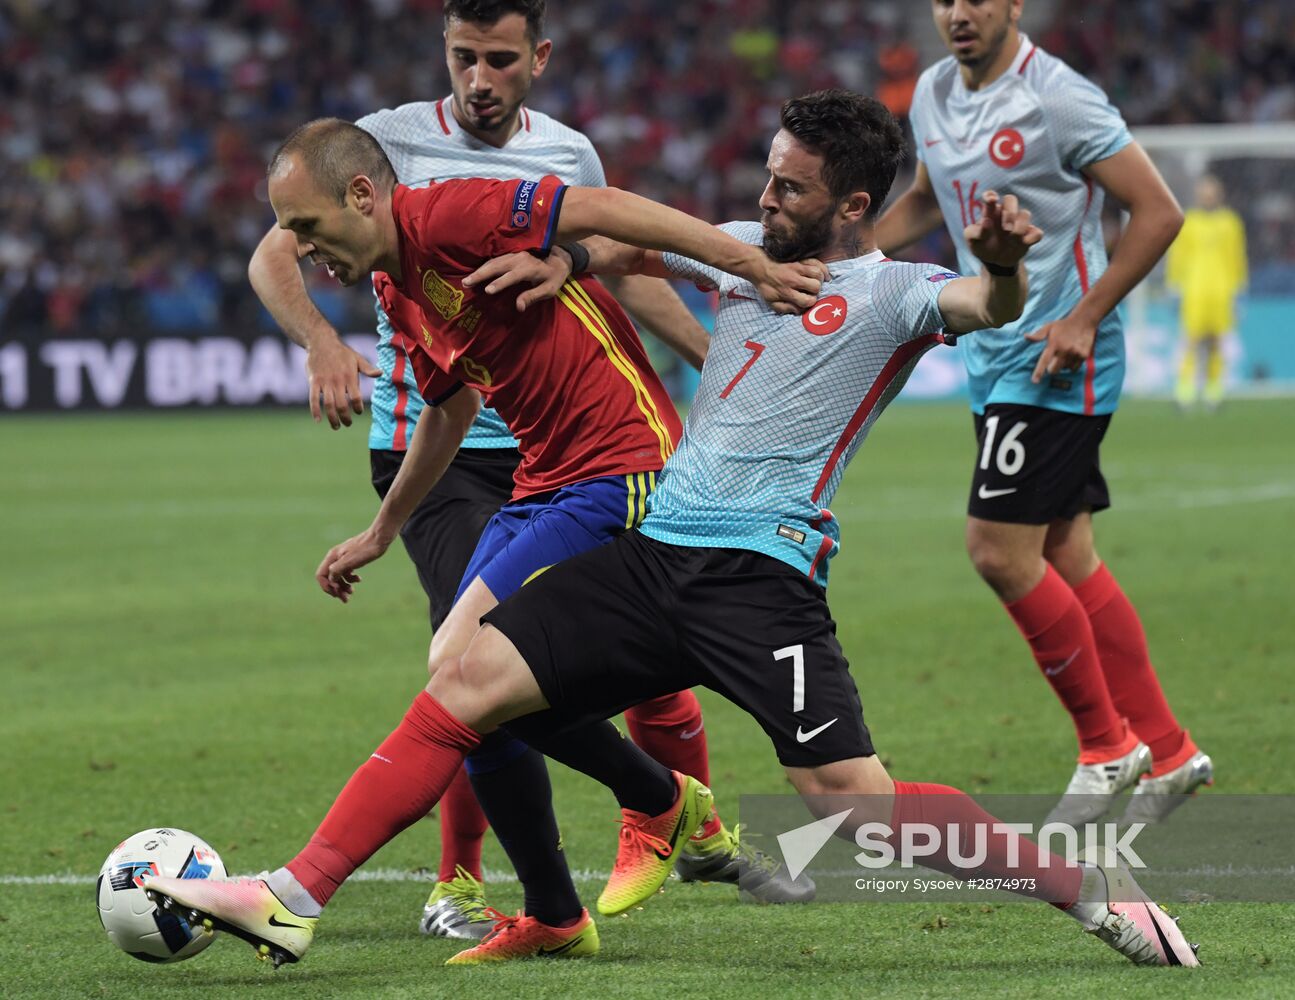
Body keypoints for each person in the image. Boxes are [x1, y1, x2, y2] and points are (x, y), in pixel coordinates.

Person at [145, 90, 1198, 971]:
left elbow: (985, 301)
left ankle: (1089, 895)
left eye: (789, 185)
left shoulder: (893, 294)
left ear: (854, 204)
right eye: (768, 176)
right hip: (651, 556)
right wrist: (563, 263)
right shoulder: (736, 251)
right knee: (464, 682)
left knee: (854, 802)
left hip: (762, 577)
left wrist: (1010, 268)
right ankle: (293, 896)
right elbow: (612, 239)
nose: (763, 196)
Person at [245, 0, 776, 941]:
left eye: (497, 59)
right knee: (466, 669)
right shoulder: (378, 174)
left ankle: (659, 818)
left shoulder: (545, 164)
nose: (477, 78)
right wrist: (325, 357)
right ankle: (503, 881)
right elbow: (425, 381)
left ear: (536, 59)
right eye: (462, 57)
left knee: (495, 673)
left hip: (595, 455)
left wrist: (726, 319)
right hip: (485, 462)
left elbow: (610, 243)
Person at [874, 0, 1212, 827]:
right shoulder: (929, 94)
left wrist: (1085, 316)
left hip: (1060, 360)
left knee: (995, 548)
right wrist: (848, 264)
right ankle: (1168, 751)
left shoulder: (1058, 97)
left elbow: (1157, 209)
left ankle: (1107, 748)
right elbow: (927, 199)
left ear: (1014, 5)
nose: (959, 12)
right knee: (1064, 550)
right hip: (993, 356)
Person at [1167, 175, 1247, 412]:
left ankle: (1214, 392)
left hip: (1222, 291)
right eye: (1204, 192)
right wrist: (1174, 287)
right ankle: (1185, 392)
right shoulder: (1189, 222)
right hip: (1194, 291)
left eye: (1211, 192)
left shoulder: (1230, 223)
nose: (1208, 197)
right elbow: (1178, 256)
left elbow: (1237, 257)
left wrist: (1240, 290)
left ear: (1219, 195)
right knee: (1189, 341)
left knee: (1217, 342)